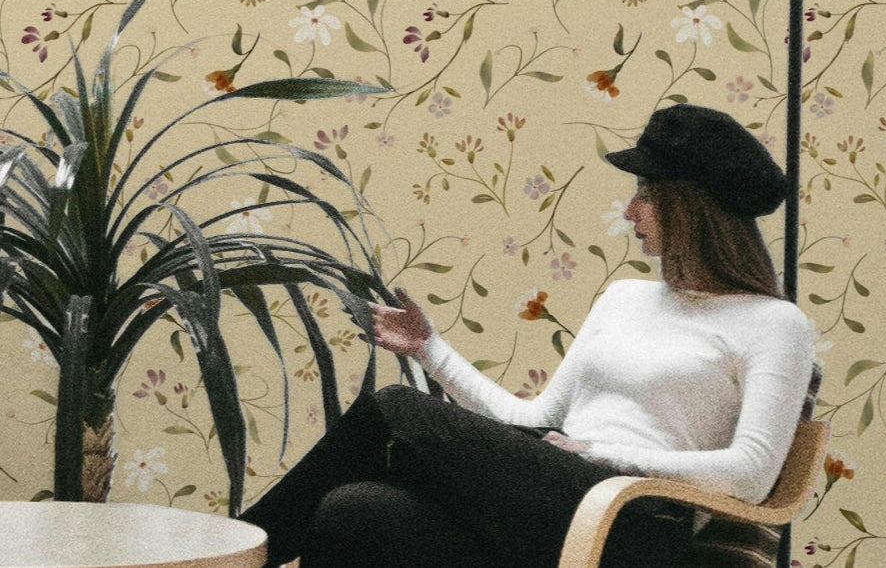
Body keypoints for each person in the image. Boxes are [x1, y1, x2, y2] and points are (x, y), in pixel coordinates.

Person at [234, 103, 817, 568]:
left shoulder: (774, 324)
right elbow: (533, 420)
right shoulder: (624, 297)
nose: (631, 211)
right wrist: (428, 349)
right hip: (557, 501)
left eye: (646, 193)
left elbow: (752, 474)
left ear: (690, 206)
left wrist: (602, 455)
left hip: (634, 524)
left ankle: (235, 554)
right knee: (352, 510)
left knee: (393, 409)